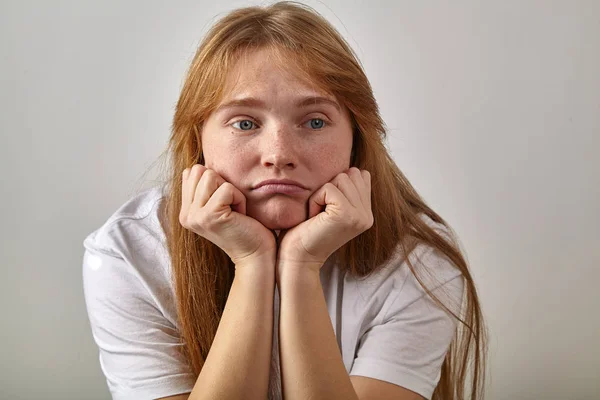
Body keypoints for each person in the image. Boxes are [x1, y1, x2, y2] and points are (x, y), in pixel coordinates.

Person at [82, 2, 487, 399]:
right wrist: (252, 263)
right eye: (245, 122)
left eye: (314, 121)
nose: (279, 153)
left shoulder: (419, 264)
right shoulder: (128, 254)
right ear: (198, 140)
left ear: (357, 140)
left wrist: (300, 266)